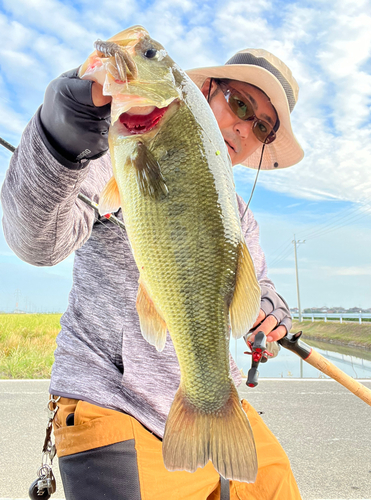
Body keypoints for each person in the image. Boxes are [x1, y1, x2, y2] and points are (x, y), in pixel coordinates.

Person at [1, 41, 304, 499]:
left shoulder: (240, 216)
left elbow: (254, 283)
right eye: (239, 103)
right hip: (114, 405)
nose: (244, 127)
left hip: (213, 404)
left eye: (261, 127)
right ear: (204, 91)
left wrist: (269, 306)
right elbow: (37, 241)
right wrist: (62, 139)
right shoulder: (111, 153)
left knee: (278, 486)